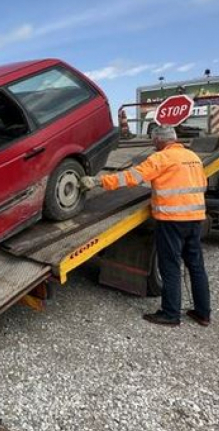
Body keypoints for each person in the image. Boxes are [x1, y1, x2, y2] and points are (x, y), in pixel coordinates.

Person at [80, 125, 211, 327]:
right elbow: (203, 184)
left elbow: (131, 177)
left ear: (159, 140)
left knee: (171, 267)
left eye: (154, 140)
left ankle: (170, 314)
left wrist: (99, 181)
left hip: (171, 221)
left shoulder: (160, 159)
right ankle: (203, 313)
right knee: (196, 266)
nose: (153, 144)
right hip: (195, 218)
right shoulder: (193, 157)